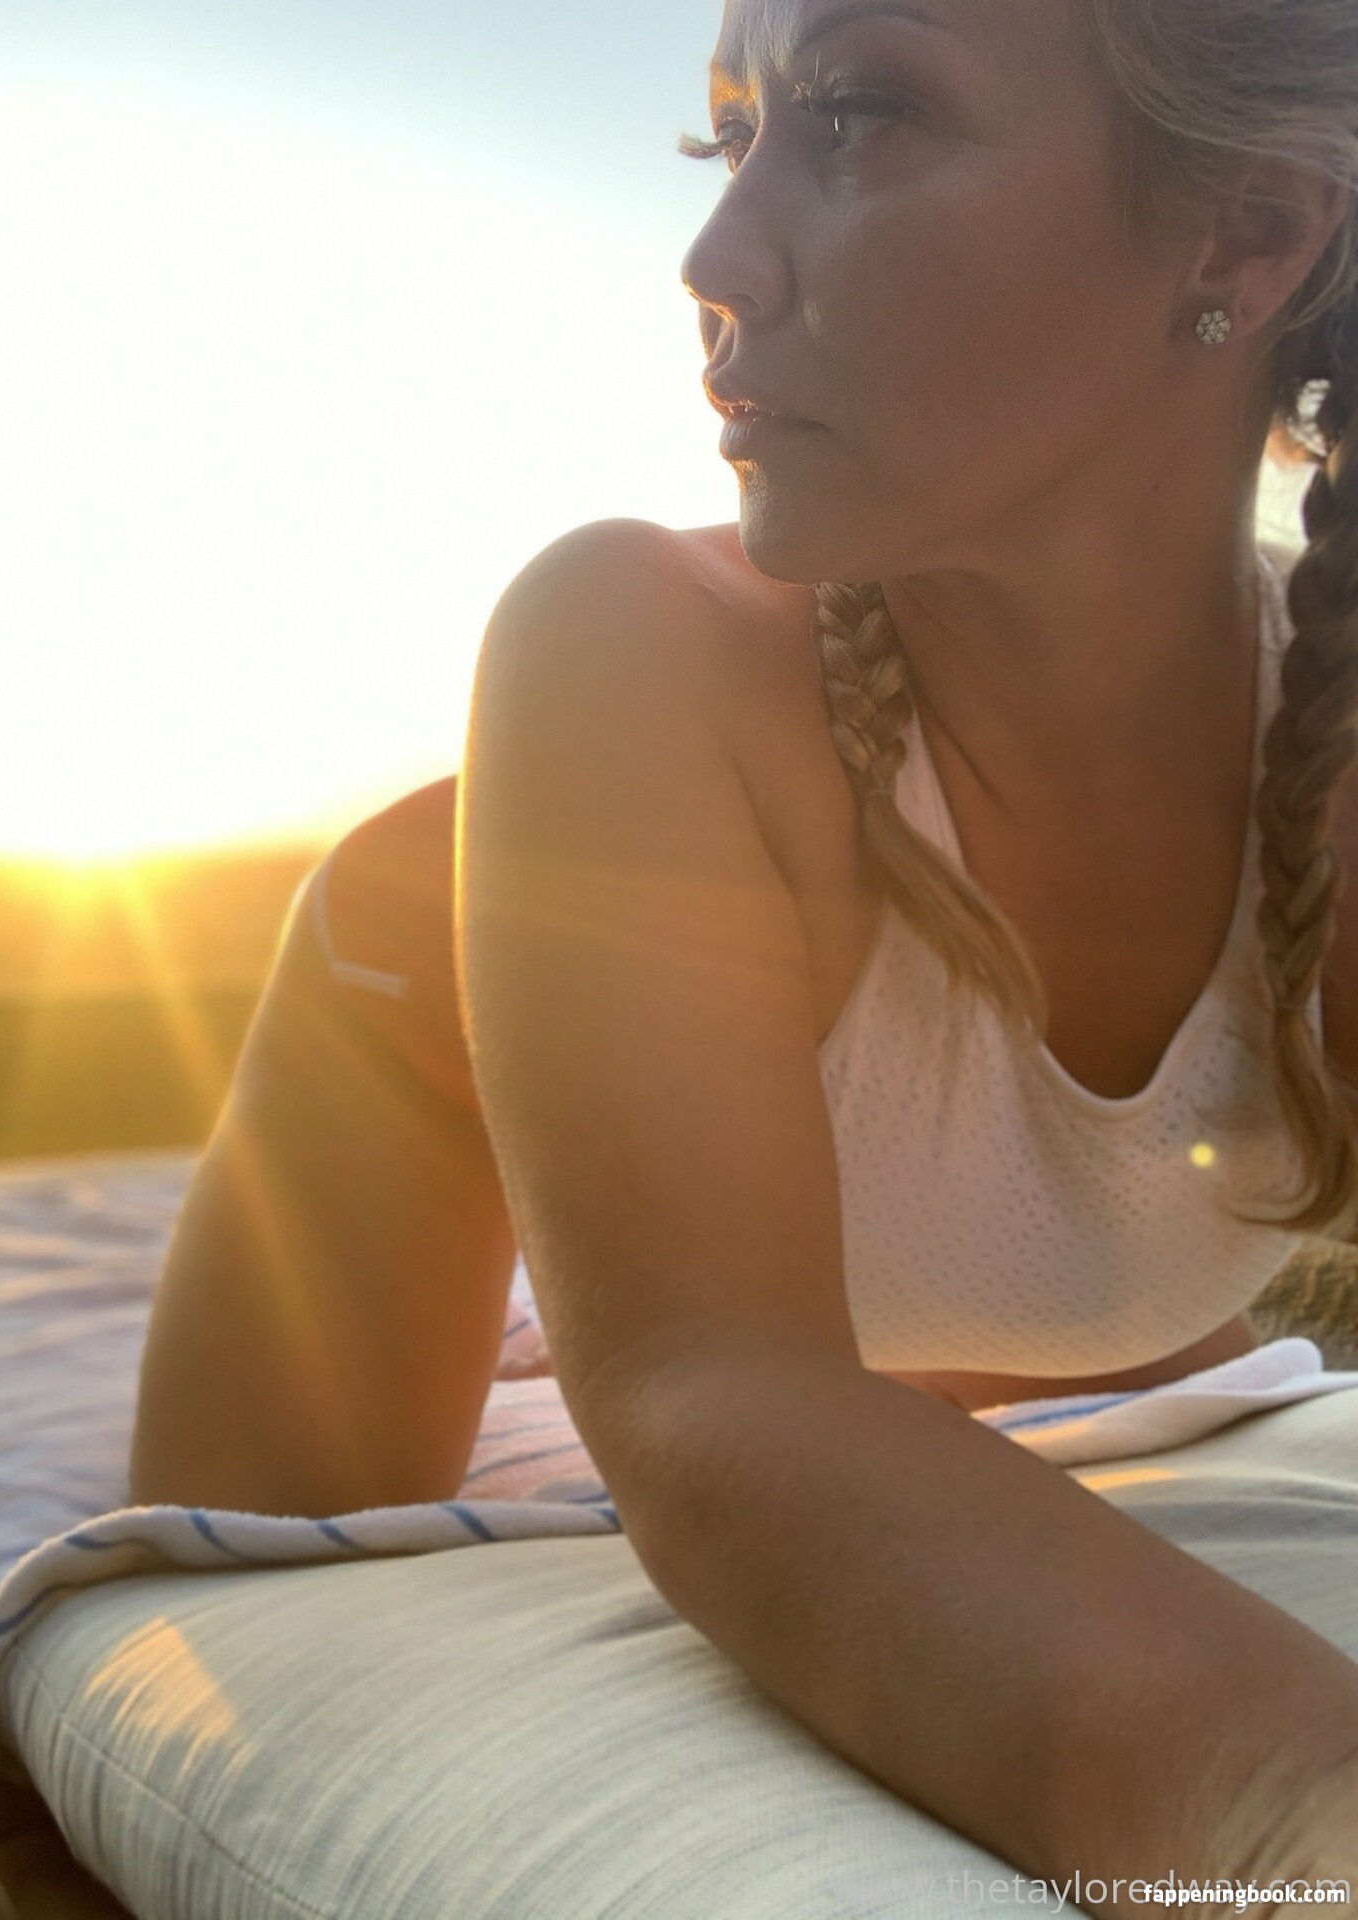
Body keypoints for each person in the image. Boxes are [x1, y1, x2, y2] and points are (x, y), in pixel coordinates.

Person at [130, 0, 1358, 1901]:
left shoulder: (1330, 743)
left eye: (858, 113)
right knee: (236, 1620)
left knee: (955, 1429)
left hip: (967, 1249)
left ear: (1246, 233)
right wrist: (1295, 1831)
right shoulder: (627, 642)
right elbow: (716, 1401)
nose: (712, 255)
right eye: (731, 133)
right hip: (426, 1044)